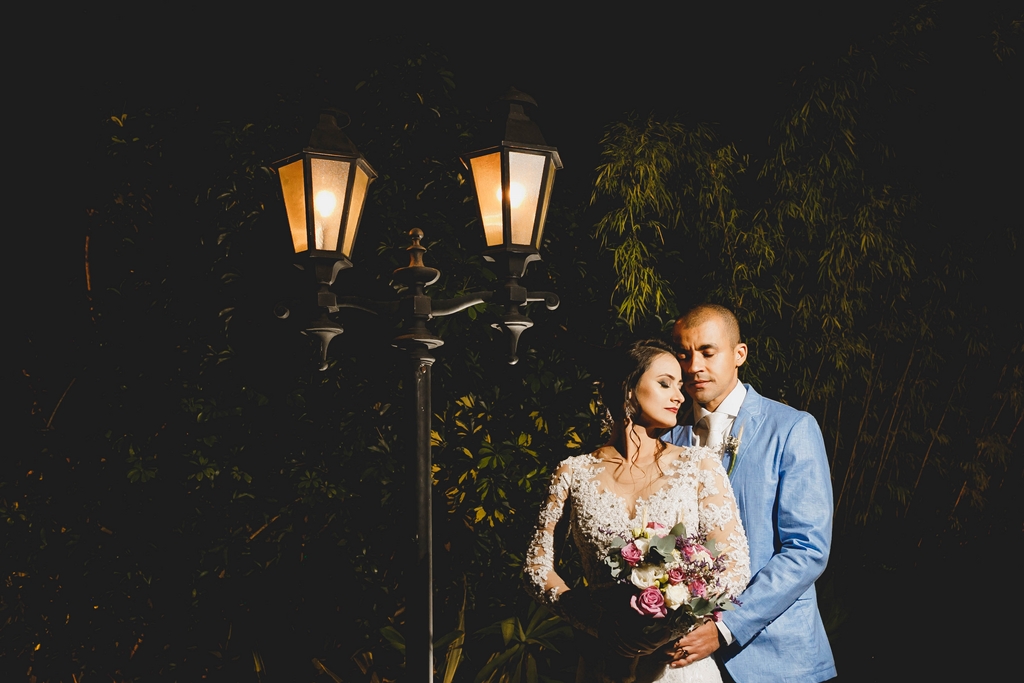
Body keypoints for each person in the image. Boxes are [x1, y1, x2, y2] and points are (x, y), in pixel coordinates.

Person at [524, 339, 751, 683]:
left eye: (679, 386)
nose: (679, 396)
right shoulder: (573, 472)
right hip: (603, 663)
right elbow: (536, 568)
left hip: (675, 665)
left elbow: (734, 566)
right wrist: (598, 624)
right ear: (628, 389)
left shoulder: (697, 465)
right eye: (665, 383)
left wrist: (666, 629)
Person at [663, 304, 836, 682]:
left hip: (777, 658)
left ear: (739, 354)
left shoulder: (791, 429)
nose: (693, 366)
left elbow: (807, 550)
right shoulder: (668, 440)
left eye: (707, 352)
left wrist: (726, 626)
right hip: (682, 660)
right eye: (683, 354)